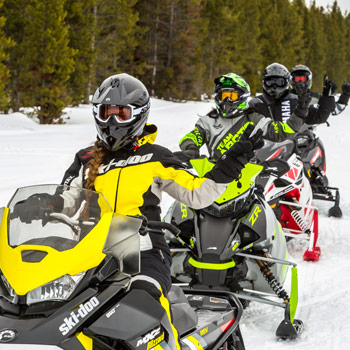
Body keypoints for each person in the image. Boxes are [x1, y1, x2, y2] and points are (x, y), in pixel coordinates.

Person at [12, 73, 262, 350]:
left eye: (121, 112)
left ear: (139, 114)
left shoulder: (157, 156)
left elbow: (197, 193)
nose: (112, 121)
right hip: (91, 248)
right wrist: (43, 203)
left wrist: (230, 165)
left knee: (145, 301)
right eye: (106, 112)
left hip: (141, 246)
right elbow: (69, 197)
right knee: (59, 309)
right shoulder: (86, 159)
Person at [179, 72, 310, 162]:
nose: (227, 100)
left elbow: (283, 132)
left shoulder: (254, 119)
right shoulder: (208, 121)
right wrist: (190, 148)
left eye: (232, 96)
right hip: (214, 176)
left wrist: (300, 112)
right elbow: (192, 137)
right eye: (223, 96)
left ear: (242, 97)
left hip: (247, 177)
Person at [248, 62, 335, 125]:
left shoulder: (295, 100)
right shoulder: (255, 103)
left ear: (286, 82)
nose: (274, 86)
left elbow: (317, 117)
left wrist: (327, 98)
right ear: (264, 82)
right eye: (270, 82)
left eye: (279, 82)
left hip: (290, 145)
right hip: (264, 147)